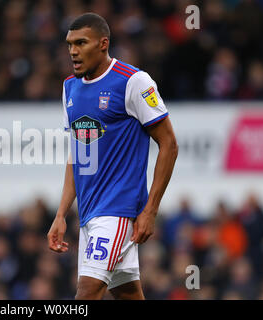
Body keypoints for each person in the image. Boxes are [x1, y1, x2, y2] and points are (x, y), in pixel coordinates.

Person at [47, 13, 178, 300]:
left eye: (81, 43)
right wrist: (61, 213)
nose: (73, 51)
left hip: (118, 211)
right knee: (128, 294)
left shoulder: (133, 82)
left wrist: (151, 209)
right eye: (69, 44)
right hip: (89, 213)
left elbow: (168, 143)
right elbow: (79, 155)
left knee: (86, 294)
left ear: (103, 44)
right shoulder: (70, 87)